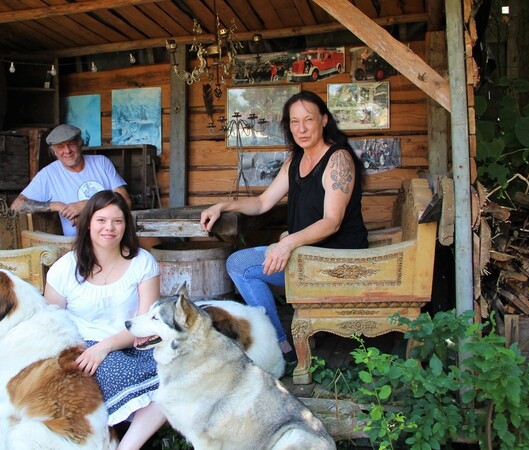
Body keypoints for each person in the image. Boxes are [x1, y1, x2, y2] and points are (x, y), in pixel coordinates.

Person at [199, 90, 368, 367]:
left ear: (324, 120)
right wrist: (223, 205)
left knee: (241, 264)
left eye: (308, 120)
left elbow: (331, 221)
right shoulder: (295, 161)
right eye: (294, 122)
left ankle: (278, 344)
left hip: (336, 260)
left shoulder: (338, 159)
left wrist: (288, 242)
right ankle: (281, 344)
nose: (301, 129)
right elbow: (264, 202)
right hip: (307, 255)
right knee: (240, 264)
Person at [44, 190, 165, 450]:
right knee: (111, 373)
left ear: (126, 225)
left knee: (175, 377)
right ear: (88, 222)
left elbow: (146, 321)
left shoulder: (142, 262)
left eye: (117, 221)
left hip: (134, 342)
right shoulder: (65, 268)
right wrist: (89, 350)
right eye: (101, 220)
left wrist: (106, 345)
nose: (109, 228)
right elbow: (51, 325)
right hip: (83, 348)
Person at [11, 124, 132, 236]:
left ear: (80, 144)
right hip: (74, 244)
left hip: (110, 236)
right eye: (61, 147)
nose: (67, 151)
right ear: (54, 152)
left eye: (71, 144)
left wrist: (86, 205)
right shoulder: (48, 174)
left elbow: (125, 201)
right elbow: (16, 206)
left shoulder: (101, 163)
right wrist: (58, 206)